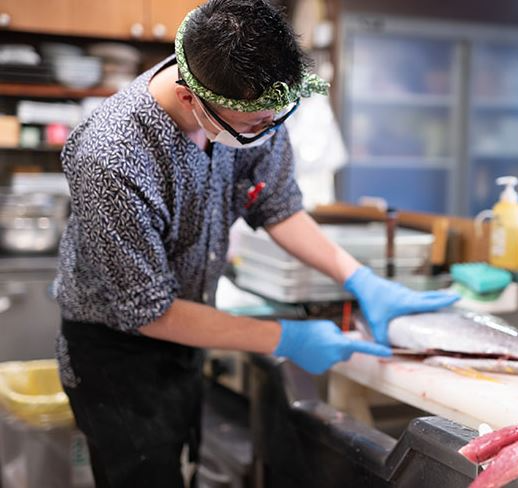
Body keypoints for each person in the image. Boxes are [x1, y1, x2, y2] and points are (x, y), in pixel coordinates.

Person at [53, 1, 458, 486]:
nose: (264, 135)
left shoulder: (250, 107)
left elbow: (277, 205)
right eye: (251, 127)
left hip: (190, 328)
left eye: (273, 121)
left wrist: (361, 279)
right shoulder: (111, 157)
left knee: (181, 460)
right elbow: (149, 313)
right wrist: (287, 337)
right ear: (189, 98)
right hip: (115, 354)